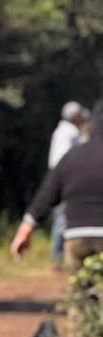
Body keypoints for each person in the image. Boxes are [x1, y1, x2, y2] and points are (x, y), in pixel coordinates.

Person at [12, 100, 103, 271]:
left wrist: (26, 228)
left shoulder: (71, 157)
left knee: (80, 287)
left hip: (77, 237)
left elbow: (46, 194)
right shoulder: (70, 137)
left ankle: (75, 286)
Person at [46, 101, 90, 267]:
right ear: (76, 118)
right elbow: (64, 161)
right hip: (64, 183)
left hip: (61, 181)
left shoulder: (62, 132)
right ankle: (57, 257)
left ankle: (61, 256)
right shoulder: (69, 133)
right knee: (62, 219)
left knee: (62, 218)